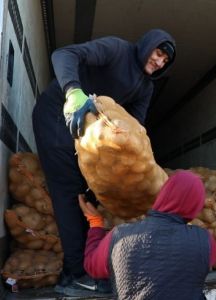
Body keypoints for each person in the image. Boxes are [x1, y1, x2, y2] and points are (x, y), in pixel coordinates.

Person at [32, 29, 176, 297]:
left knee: (88, 196)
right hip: (57, 117)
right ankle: (74, 275)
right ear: (148, 46)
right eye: (159, 53)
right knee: (69, 191)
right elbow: (63, 54)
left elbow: (135, 129)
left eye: (165, 61)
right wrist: (74, 92)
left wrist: (141, 167)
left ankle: (85, 265)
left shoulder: (145, 87)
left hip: (88, 139)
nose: (159, 62)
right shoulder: (117, 49)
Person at [78, 170, 216, 300]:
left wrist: (95, 222)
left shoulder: (119, 236)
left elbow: (92, 266)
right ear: (195, 206)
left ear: (164, 194)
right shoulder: (205, 242)